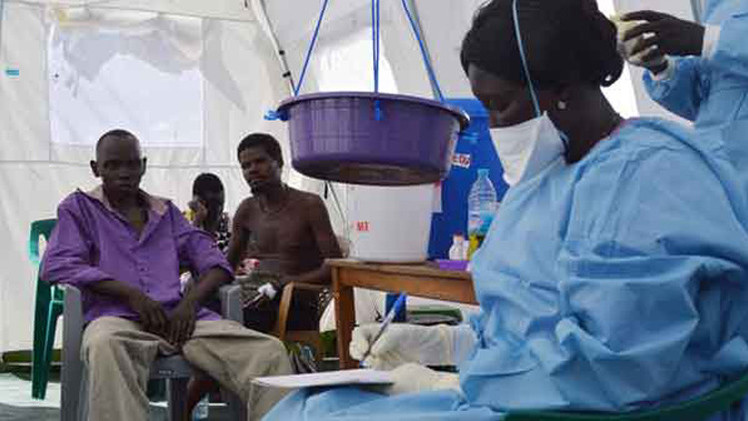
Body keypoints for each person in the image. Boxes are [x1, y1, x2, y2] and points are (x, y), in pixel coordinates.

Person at [262, 0, 748, 419]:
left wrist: (458, 378)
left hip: (583, 409)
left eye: (500, 105)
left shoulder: (648, 179)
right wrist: (446, 343)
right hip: (526, 394)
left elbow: (617, 369)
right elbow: (524, 320)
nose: (493, 126)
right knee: (308, 405)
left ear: (563, 89)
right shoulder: (549, 177)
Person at [40, 129, 292, 420]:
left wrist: (190, 303)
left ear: (143, 165)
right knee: (104, 345)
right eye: (113, 165)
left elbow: (214, 263)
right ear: (96, 169)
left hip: (178, 321)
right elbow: (58, 263)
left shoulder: (166, 213)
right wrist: (130, 294)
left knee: (268, 353)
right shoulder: (79, 208)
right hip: (115, 320)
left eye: (132, 164)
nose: (124, 173)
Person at [619, 1, 748, 185]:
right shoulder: (717, 5)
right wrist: (661, 67)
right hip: (719, 173)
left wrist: (705, 39)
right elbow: (709, 99)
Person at [226, 132, 342, 334]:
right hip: (255, 294)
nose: (252, 170)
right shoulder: (247, 210)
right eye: (245, 166)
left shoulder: (309, 205)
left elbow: (335, 268)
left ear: (278, 162)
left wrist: (285, 283)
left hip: (295, 301)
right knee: (205, 310)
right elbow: (227, 266)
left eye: (259, 161)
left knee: (238, 319)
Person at [185, 172, 232, 254]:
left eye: (221, 204)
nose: (219, 210)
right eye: (213, 204)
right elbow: (184, 253)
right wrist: (198, 219)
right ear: (197, 201)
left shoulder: (230, 225)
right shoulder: (184, 224)